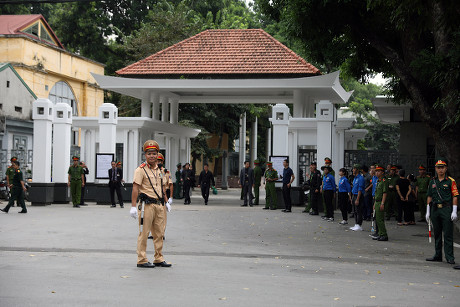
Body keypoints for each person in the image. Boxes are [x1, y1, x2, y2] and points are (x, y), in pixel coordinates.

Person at [129, 140, 171, 268]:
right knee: (144, 233)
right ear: (145, 155)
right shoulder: (140, 170)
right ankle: (142, 259)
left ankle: (158, 257)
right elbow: (135, 188)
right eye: (149, 153)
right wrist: (133, 206)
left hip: (159, 205)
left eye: (154, 153)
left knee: (159, 233)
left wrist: (166, 201)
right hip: (146, 206)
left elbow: (162, 188)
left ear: (158, 155)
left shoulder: (160, 171)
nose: (152, 156)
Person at [425, 158, 458, 265]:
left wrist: (454, 211)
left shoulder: (450, 181)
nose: (440, 170)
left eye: (442, 167)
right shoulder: (432, 181)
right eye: (438, 168)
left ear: (446, 168)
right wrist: (428, 211)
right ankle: (437, 255)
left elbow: (455, 196)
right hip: (435, 209)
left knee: (448, 234)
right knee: (437, 233)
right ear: (435, 169)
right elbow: (429, 196)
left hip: (446, 209)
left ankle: (449, 257)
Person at [371, 164, 389, 241]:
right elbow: (376, 194)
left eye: (378, 171)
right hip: (377, 201)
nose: (377, 173)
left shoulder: (384, 181)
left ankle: (384, 234)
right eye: (376, 171)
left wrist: (382, 203)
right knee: (377, 219)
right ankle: (380, 234)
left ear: (382, 172)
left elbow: (385, 193)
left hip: (381, 202)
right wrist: (375, 203)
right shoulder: (378, 181)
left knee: (380, 219)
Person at [350, 164, 365, 231]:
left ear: (357, 170)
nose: (353, 170)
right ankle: (356, 224)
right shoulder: (355, 178)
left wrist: (357, 199)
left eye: (354, 168)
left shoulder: (360, 178)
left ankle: (359, 224)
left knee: (359, 211)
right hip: (354, 195)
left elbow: (360, 189)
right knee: (355, 211)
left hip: (358, 196)